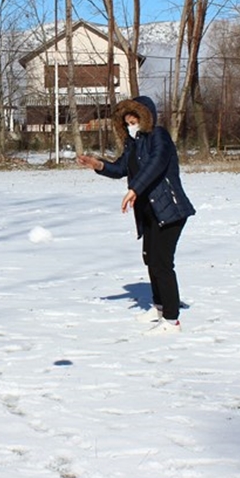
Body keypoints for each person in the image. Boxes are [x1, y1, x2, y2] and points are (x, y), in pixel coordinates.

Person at [77, 95, 195, 331]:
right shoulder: (133, 144)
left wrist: (134, 190)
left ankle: (172, 321)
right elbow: (121, 168)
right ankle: (160, 308)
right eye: (127, 121)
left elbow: (157, 164)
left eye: (134, 120)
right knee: (151, 260)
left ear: (146, 118)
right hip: (150, 212)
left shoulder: (158, 136)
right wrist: (98, 164)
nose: (131, 125)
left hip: (170, 209)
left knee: (162, 264)